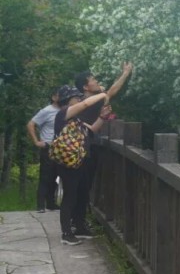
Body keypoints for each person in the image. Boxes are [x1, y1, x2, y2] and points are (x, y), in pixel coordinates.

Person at [72, 62, 133, 237]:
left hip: (80, 147)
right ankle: (79, 225)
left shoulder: (81, 101)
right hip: (87, 148)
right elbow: (112, 91)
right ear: (85, 86)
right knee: (84, 186)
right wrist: (125, 73)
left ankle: (76, 221)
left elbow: (109, 91)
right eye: (93, 79)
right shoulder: (93, 101)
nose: (97, 81)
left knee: (81, 186)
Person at [52, 85, 108, 245]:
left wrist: (102, 117)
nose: (80, 99)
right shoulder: (63, 113)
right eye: (76, 97)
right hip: (68, 164)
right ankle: (66, 233)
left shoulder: (75, 120)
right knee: (70, 196)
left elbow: (93, 129)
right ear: (68, 100)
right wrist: (103, 94)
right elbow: (85, 105)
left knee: (80, 194)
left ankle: (79, 226)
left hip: (79, 162)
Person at [26, 87, 61, 212]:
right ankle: (40, 204)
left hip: (61, 148)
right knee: (46, 176)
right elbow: (31, 123)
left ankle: (51, 203)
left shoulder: (66, 110)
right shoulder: (47, 111)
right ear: (54, 97)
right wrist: (36, 141)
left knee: (56, 176)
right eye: (59, 95)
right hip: (48, 146)